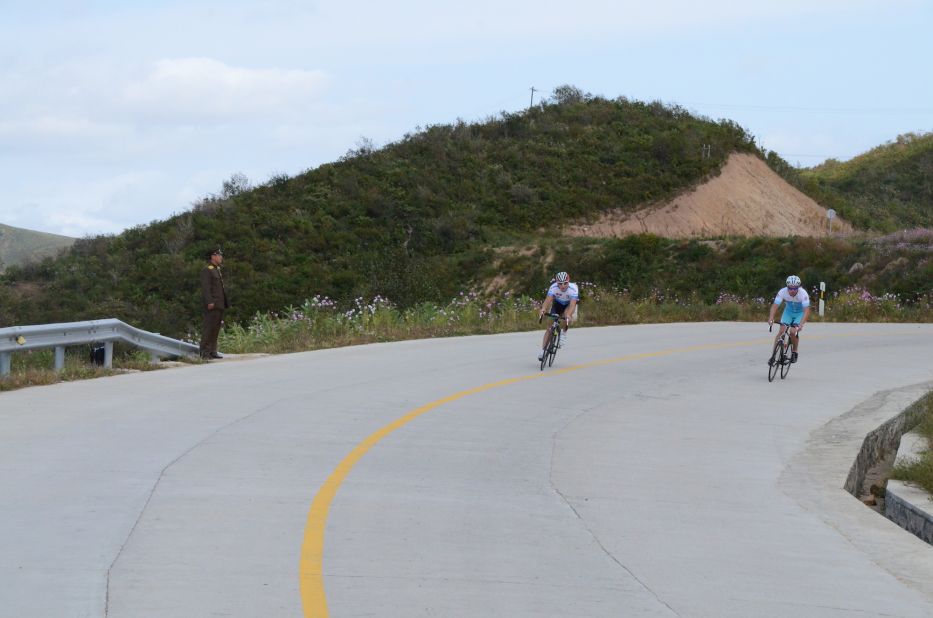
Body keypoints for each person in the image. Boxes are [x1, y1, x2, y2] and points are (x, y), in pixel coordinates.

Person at [767, 274, 810, 364]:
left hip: (799, 314)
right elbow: (775, 306)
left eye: (795, 288)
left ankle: (795, 351)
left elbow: (806, 311)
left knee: (793, 332)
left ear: (798, 287)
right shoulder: (782, 292)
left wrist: (801, 324)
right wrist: (771, 317)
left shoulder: (803, 294)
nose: (792, 290)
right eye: (790, 288)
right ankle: (773, 356)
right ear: (787, 287)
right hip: (788, 313)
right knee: (781, 331)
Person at [537, 271, 579, 361]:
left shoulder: (573, 288)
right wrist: (543, 309)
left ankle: (563, 333)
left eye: (565, 283)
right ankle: (543, 351)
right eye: (560, 284)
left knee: (567, 316)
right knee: (549, 328)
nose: (563, 286)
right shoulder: (553, 287)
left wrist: (568, 315)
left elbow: (572, 305)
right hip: (557, 304)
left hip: (568, 305)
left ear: (569, 281)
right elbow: (547, 301)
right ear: (557, 283)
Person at [199, 248, 229, 359]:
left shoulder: (216, 269)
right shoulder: (207, 270)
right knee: (209, 328)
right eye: (219, 255)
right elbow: (206, 288)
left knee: (216, 328)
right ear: (213, 256)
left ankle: (212, 351)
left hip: (219, 304)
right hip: (212, 304)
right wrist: (209, 301)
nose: (221, 257)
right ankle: (204, 353)